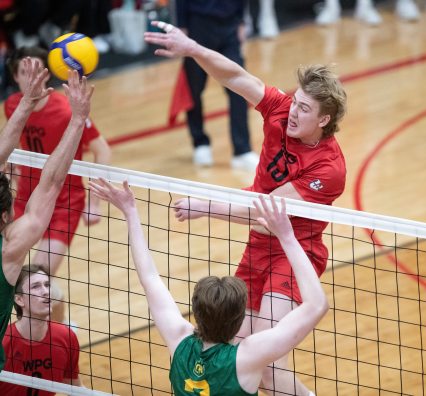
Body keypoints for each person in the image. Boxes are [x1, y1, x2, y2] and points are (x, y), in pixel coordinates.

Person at [145, 22, 346, 395]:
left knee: (269, 364)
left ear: (324, 120)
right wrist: (192, 47)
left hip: (293, 252)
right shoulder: (281, 109)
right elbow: (235, 76)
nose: (293, 112)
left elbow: (267, 214)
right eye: (295, 102)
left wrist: (206, 206)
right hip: (257, 248)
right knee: (237, 351)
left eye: (304, 109)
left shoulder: (328, 169)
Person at [89, 178, 329, 396]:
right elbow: (317, 304)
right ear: (239, 321)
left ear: (196, 312)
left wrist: (130, 212)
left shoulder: (180, 341)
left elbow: (149, 278)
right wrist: (287, 236)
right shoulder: (247, 356)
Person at [0, 59, 94, 373]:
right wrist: (78, 119)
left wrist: (25, 103)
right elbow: (52, 182)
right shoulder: (10, 250)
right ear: (5, 216)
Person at [4, 46, 111, 323]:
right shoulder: (13, 104)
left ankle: (60, 328)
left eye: (39, 70)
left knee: (40, 275)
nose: (33, 77)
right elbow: (15, 145)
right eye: (26, 72)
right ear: (15, 77)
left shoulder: (66, 109)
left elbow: (103, 150)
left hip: (65, 199)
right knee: (10, 271)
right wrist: (11, 179)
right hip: (25, 194)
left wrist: (94, 202)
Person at [175, 0, 259, 170]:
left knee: (240, 89)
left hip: (230, 25)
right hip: (198, 25)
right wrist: (182, 26)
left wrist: (241, 21)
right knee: (194, 88)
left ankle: (242, 150)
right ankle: (200, 143)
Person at [0, 265, 81, 394]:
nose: (45, 291)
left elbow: (75, 387)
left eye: (47, 285)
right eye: (36, 286)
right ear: (19, 299)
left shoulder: (66, 336)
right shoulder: (3, 342)